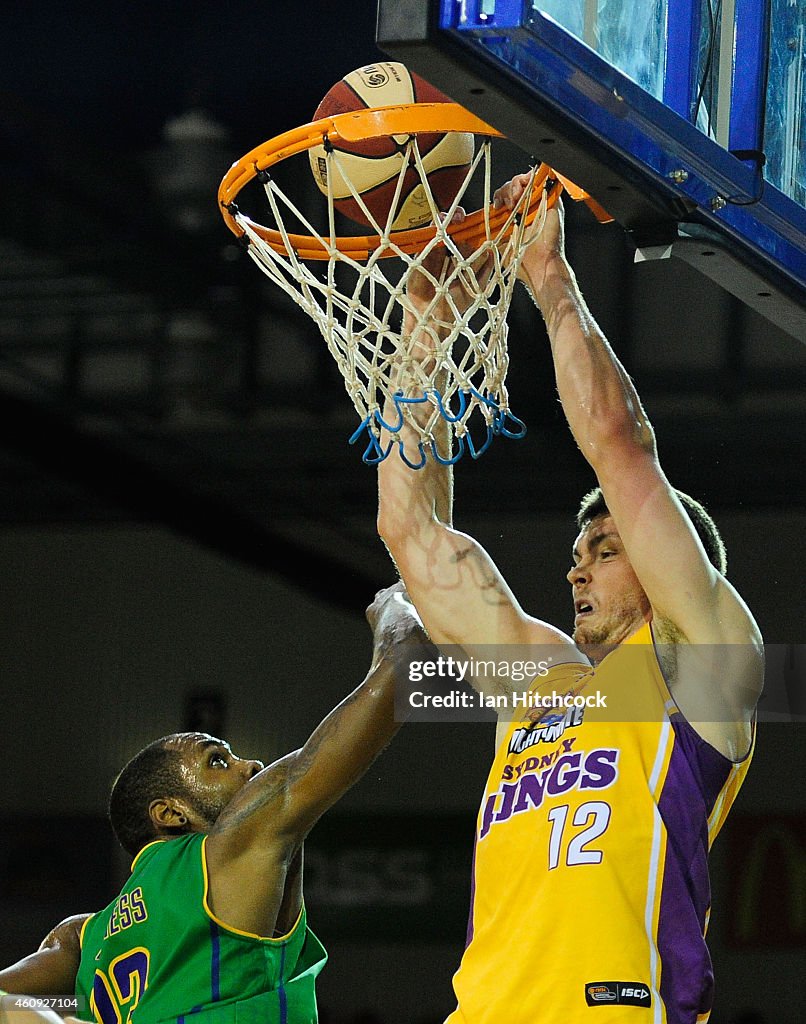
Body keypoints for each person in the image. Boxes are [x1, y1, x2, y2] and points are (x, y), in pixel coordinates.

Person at [376, 178, 763, 1023]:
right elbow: (413, 535)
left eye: (604, 549)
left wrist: (549, 280)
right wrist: (422, 332)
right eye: (575, 556)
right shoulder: (544, 681)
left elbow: (623, 451)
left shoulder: (699, 657)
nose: (577, 572)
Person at [0, 583, 431, 1024]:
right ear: (170, 813)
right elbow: (404, 668)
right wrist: (396, 606)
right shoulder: (233, 847)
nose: (251, 765)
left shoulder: (80, 936)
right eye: (218, 761)